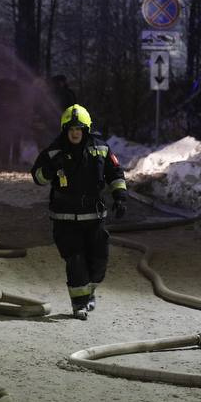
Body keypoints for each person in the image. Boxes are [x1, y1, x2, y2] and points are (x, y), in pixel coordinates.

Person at [30, 104, 127, 320]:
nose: (75, 132)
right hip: (65, 219)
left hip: (94, 218)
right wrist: (49, 168)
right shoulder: (54, 151)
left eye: (79, 128)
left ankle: (89, 292)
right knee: (76, 261)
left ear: (86, 129)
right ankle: (79, 304)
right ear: (65, 129)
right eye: (71, 128)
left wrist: (120, 197)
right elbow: (37, 177)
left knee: (99, 261)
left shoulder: (100, 149)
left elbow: (115, 173)